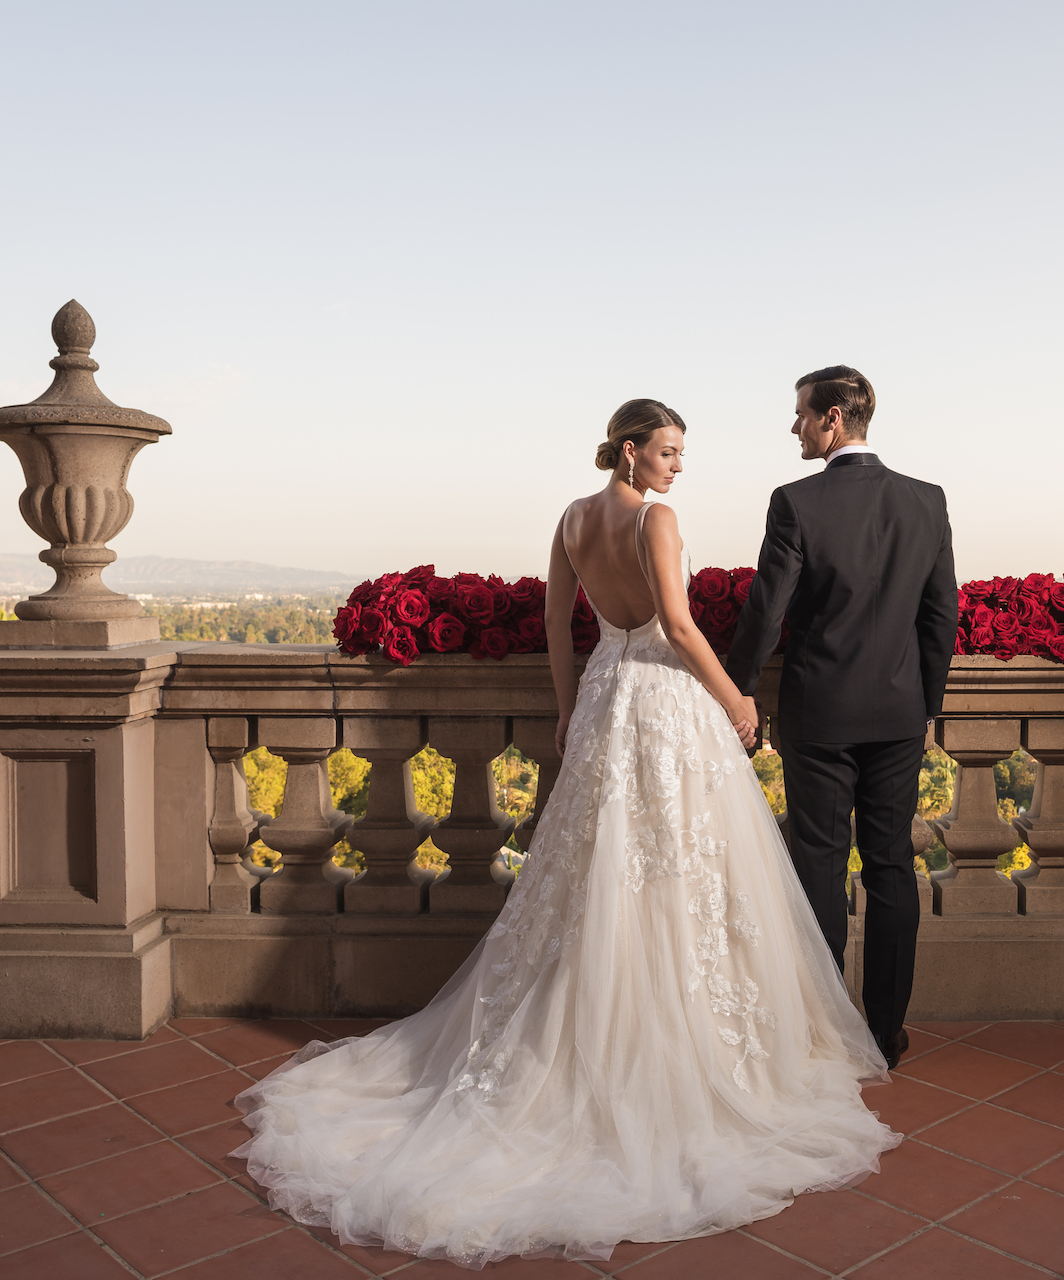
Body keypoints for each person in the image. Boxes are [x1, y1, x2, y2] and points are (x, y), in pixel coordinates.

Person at [232, 399, 899, 1268]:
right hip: (661, 696)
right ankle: (669, 1040)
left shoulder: (573, 518)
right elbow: (683, 624)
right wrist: (735, 701)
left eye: (679, 454)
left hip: (603, 694)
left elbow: (558, 624)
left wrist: (564, 710)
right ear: (631, 451)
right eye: (667, 451)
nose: (677, 467)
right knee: (672, 869)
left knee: (599, 873)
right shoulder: (655, 519)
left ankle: (599, 1026)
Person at [724, 366, 958, 1070]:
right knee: (891, 866)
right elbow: (941, 613)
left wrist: (735, 692)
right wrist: (925, 705)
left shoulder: (796, 502)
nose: (794, 427)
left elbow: (767, 610)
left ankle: (827, 1034)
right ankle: (885, 1033)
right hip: (897, 714)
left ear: (832, 419)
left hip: (820, 715)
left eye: (800, 414)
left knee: (819, 868)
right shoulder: (926, 500)